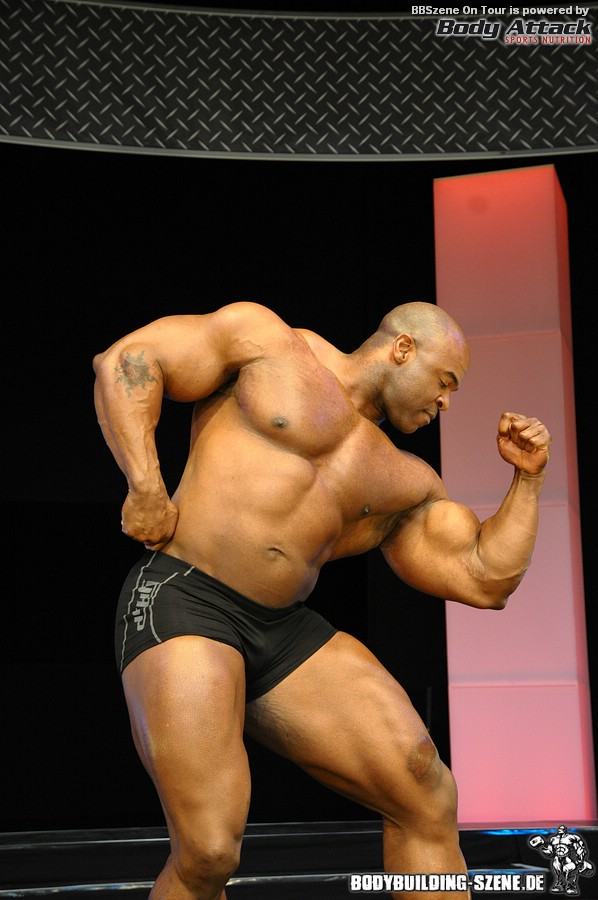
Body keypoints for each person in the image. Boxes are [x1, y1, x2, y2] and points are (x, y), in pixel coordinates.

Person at [93, 300, 550, 900]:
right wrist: (145, 485)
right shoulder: (270, 345)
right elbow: (128, 359)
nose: (445, 403)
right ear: (403, 348)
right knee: (208, 851)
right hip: (187, 595)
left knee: (425, 790)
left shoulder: (405, 480)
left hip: (281, 629)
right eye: (444, 382)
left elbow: (486, 577)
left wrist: (528, 480)